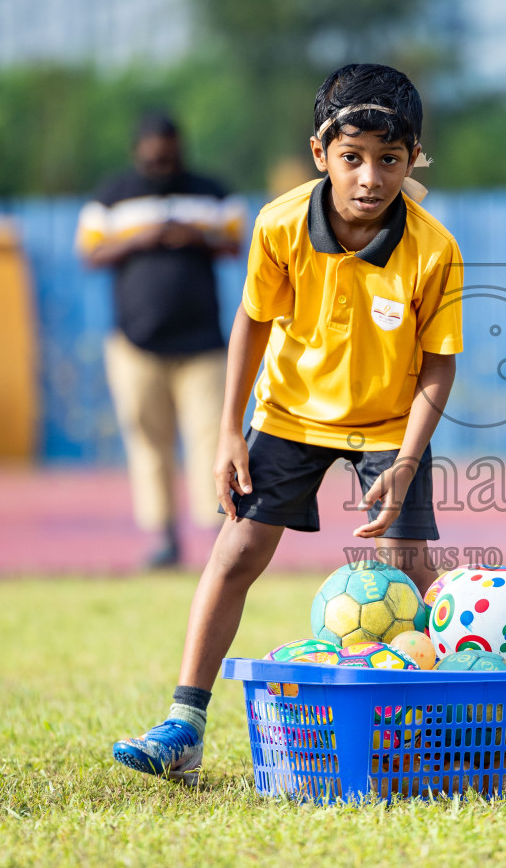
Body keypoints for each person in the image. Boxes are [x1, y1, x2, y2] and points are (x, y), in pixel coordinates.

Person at [111, 64, 462, 784]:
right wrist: (228, 431)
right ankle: (185, 722)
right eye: (353, 157)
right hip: (288, 415)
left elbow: (437, 367)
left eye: (390, 160)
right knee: (236, 553)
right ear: (319, 154)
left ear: (413, 158)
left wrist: (405, 461)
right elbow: (252, 322)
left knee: (414, 569)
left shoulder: (435, 250)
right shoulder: (278, 225)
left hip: (390, 427)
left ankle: (457, 715)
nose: (370, 177)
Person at [76, 113, 246, 569]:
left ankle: (217, 535)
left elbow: (235, 240)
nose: (162, 160)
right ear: (138, 151)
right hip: (135, 344)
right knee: (148, 440)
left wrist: (194, 235)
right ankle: (164, 537)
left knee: (212, 439)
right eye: (153, 153)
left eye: (169, 152)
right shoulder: (112, 195)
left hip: (203, 344)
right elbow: (89, 251)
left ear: (180, 147)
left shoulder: (210, 190)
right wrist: (143, 239)